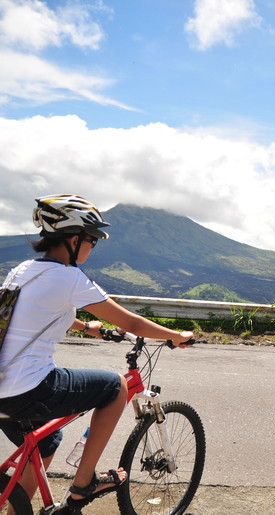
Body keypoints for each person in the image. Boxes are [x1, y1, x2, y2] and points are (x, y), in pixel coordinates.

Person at [0, 195, 194, 512]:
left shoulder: (23, 269)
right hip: (26, 388)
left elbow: (25, 312)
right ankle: (82, 485)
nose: (93, 245)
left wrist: (87, 327)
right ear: (74, 239)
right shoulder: (69, 277)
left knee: (45, 443)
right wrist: (177, 336)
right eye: (93, 239)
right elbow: (131, 322)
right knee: (115, 387)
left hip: (2, 388)